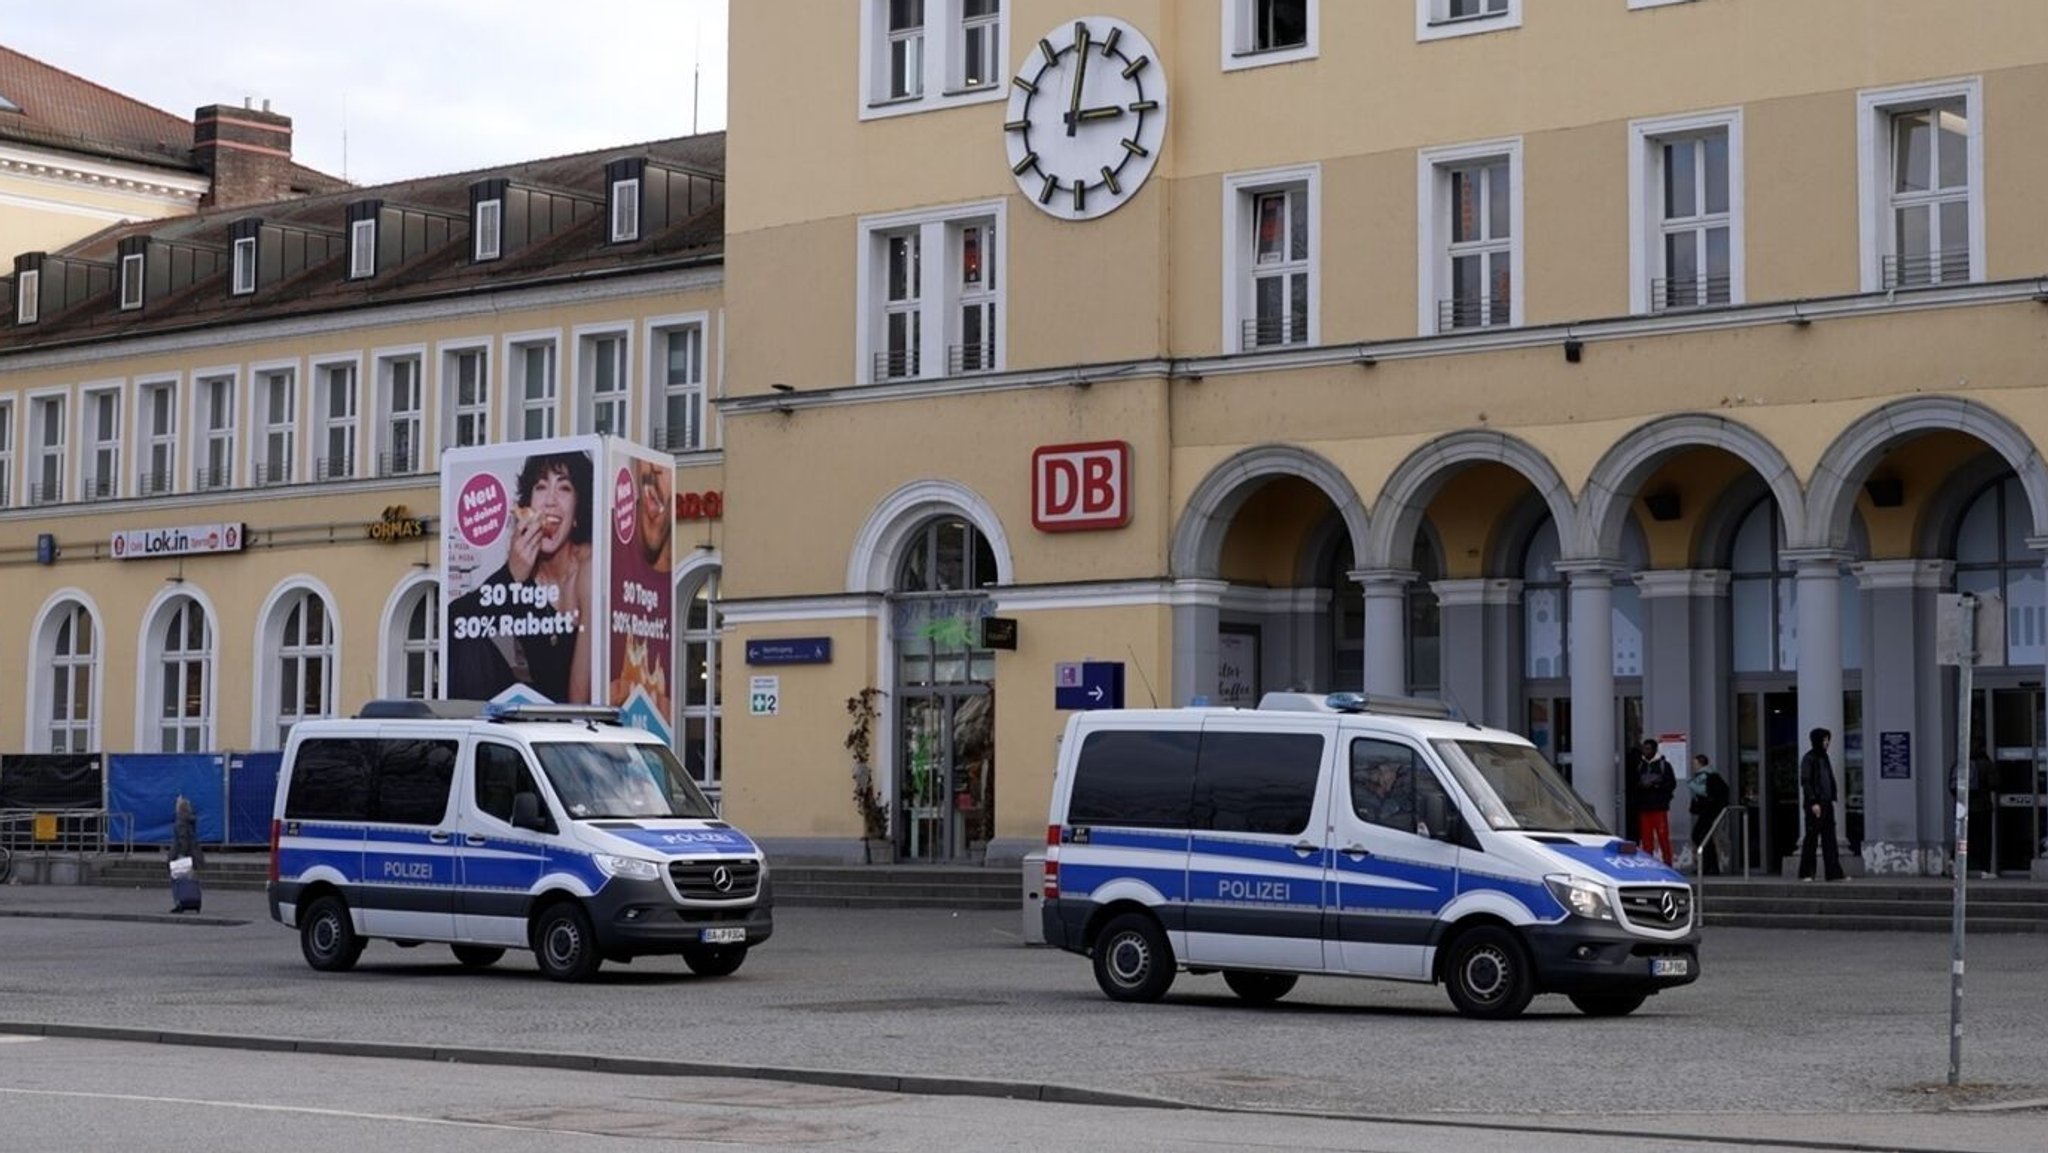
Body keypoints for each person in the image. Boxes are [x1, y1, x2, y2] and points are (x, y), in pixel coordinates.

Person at [448, 452, 595, 704]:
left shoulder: (588, 568)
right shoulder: (521, 564)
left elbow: (579, 702)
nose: (550, 500)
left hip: (567, 729)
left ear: (578, 511)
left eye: (564, 487)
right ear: (527, 506)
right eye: (540, 486)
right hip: (521, 717)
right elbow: (456, 624)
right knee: (469, 641)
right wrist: (511, 575)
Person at [1798, 727, 1847, 882]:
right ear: (1817, 740)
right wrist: (1813, 802)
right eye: (1825, 740)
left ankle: (1834, 873)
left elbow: (1827, 779)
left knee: (1830, 839)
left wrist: (1831, 797)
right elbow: (1806, 782)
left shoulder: (1824, 757)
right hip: (1815, 804)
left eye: (1828, 740)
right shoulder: (1809, 758)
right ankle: (1806, 873)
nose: (1827, 743)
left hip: (1826, 803)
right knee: (1811, 839)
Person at [1687, 753, 1732, 875]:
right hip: (1709, 812)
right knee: (1703, 837)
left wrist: (1708, 803)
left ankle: (1709, 866)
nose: (1693, 766)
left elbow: (1709, 794)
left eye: (1695, 763)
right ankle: (1710, 866)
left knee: (1700, 836)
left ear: (1700, 763)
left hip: (1709, 812)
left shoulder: (1707, 776)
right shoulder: (1710, 775)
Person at [1635, 739, 1677, 866]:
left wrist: (1655, 785)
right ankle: (1648, 865)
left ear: (1654, 749)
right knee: (1646, 840)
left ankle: (1668, 864)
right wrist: (1641, 786)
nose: (1645, 751)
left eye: (1648, 748)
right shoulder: (1640, 765)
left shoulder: (1664, 765)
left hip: (1659, 808)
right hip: (1644, 808)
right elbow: (1634, 784)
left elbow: (1671, 784)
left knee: (1663, 838)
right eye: (1644, 748)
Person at [1354, 753, 1417, 834]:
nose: (1393, 776)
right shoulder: (1365, 797)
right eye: (1389, 771)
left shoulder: (1397, 794)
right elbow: (1383, 816)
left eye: (1392, 771)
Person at [169, 794, 203, 914]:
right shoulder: (190, 821)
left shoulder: (180, 822)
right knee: (191, 879)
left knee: (177, 879)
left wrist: (181, 854)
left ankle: (180, 902)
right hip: (193, 854)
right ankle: (194, 901)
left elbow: (182, 839)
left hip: (181, 855)